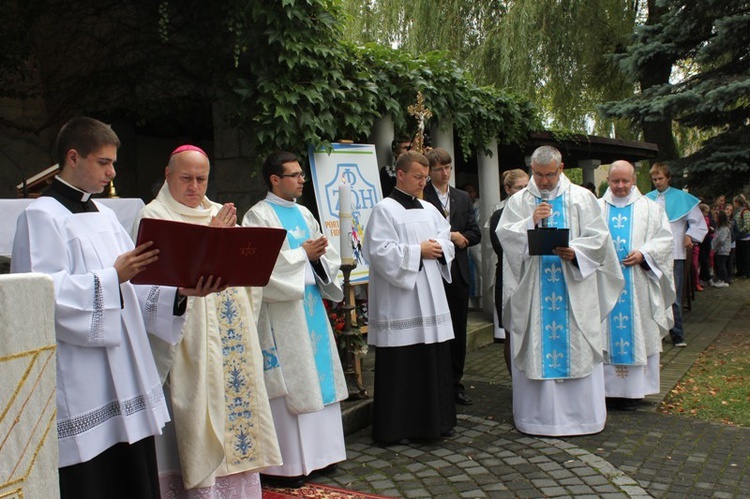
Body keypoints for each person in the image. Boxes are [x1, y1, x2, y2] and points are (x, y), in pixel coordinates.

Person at [11, 117, 221, 499]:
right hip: (82, 374)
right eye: (103, 162)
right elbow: (41, 296)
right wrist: (110, 277)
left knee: (132, 467)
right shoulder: (41, 217)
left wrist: (179, 293)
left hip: (125, 366)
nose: (111, 172)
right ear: (73, 158)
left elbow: (136, 283)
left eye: (113, 163)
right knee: (96, 477)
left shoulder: (106, 216)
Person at [133, 145, 282, 497]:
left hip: (233, 343)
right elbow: (148, 287)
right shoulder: (153, 217)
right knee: (194, 425)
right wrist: (212, 242)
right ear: (168, 175)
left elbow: (249, 278)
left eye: (202, 179)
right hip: (189, 342)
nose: (194, 187)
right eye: (186, 178)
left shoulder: (220, 213)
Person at [496, 145, 623, 437]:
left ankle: (581, 419)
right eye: (538, 175)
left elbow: (600, 239)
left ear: (561, 168)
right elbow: (505, 236)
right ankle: (536, 420)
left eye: (549, 175)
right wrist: (531, 222)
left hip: (573, 290)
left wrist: (576, 252)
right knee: (537, 347)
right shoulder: (519, 201)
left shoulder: (582, 197)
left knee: (576, 347)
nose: (543, 181)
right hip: (534, 290)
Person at [242, 151, 348, 487]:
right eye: (295, 175)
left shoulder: (304, 213)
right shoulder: (258, 217)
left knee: (319, 379)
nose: (302, 180)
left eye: (302, 174)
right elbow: (259, 269)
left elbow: (326, 256)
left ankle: (323, 455)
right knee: (292, 380)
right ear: (274, 179)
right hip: (282, 315)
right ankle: (289, 465)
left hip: (311, 308)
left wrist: (317, 260)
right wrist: (303, 254)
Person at [364, 150, 457, 444]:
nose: (422, 183)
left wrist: (440, 248)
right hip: (401, 301)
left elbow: (446, 236)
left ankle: (436, 424)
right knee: (404, 363)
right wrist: (419, 252)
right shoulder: (384, 210)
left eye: (425, 177)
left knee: (432, 359)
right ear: (400, 174)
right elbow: (378, 252)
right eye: (418, 177)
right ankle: (399, 428)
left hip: (431, 297)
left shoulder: (429, 208)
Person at [598, 161, 675, 410]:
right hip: (605, 284)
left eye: (626, 181)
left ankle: (636, 390)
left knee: (639, 329)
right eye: (615, 181)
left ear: (634, 180)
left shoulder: (650, 210)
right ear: (608, 180)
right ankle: (605, 390)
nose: (620, 186)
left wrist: (644, 254)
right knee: (604, 333)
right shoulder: (596, 209)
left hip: (638, 283)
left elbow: (665, 240)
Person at [422, 148, 481, 406]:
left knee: (457, 331)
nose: (444, 173)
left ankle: (455, 383)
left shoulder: (461, 197)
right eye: (438, 169)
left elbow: (476, 232)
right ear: (429, 172)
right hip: (433, 272)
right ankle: (435, 382)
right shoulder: (422, 197)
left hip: (458, 272)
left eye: (448, 168)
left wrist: (462, 238)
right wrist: (449, 236)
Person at [645, 163, 708, 347]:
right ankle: (656, 333)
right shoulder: (647, 199)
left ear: (668, 178)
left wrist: (689, 235)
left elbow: (699, 224)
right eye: (654, 179)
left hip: (676, 254)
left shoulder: (682, 198)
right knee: (655, 294)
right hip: (653, 255)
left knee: (674, 296)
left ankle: (677, 334)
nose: (657, 182)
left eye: (660, 179)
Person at [488, 168, 529, 373]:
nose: (524, 191)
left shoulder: (535, 210)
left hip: (530, 275)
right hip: (507, 276)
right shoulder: (499, 215)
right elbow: (500, 246)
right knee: (510, 332)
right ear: (508, 189)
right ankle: (514, 378)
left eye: (527, 187)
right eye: (519, 188)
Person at [460, 182, 483, 309]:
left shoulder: (480, 204)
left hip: (477, 243)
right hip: (465, 242)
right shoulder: (463, 203)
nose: (470, 194)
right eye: (467, 192)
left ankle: (481, 300)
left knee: (480, 269)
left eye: (472, 191)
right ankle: (470, 303)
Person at [711, 210, 731, 287]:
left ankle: (723, 279)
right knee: (719, 264)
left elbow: (721, 240)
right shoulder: (718, 227)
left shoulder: (725, 228)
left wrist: (715, 248)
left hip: (723, 250)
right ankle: (719, 278)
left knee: (722, 264)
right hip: (718, 249)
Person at [732, 195, 750, 278]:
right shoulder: (737, 212)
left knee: (745, 256)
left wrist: (740, 232)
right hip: (738, 238)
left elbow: (747, 225)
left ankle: (746, 272)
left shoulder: (745, 212)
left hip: (745, 238)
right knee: (738, 256)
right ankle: (740, 271)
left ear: (737, 202)